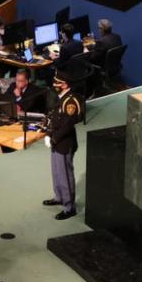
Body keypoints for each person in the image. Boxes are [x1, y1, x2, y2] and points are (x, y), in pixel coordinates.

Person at [42, 69, 83, 219]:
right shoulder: (61, 97)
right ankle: (59, 197)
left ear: (65, 85)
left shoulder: (71, 101)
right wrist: (48, 134)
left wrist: (53, 138)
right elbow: (53, 118)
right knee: (56, 172)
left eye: (57, 83)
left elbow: (67, 124)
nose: (54, 85)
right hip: (56, 142)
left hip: (64, 143)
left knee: (65, 175)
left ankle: (69, 207)